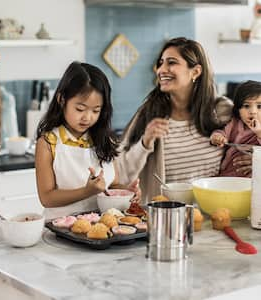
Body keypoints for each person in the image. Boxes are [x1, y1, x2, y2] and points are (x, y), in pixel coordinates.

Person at [117, 37, 252, 203]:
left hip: (214, 213)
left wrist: (257, 160)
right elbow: (121, 173)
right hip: (166, 217)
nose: (161, 70)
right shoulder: (148, 113)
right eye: (160, 63)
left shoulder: (222, 110)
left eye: (171, 62)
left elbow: (252, 141)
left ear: (195, 72)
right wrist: (145, 142)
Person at [35, 61, 139, 220]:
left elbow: (112, 185)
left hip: (102, 226)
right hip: (61, 229)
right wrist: (87, 191)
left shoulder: (105, 139)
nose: (87, 117)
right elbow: (47, 198)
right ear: (62, 100)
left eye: (96, 111)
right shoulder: (48, 143)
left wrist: (127, 191)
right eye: (80, 109)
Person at [210, 80, 261, 177]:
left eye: (259, 106)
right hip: (228, 173)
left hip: (251, 178)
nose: (253, 111)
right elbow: (223, 132)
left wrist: (259, 133)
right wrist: (218, 136)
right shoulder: (235, 123)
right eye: (246, 106)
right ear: (238, 109)